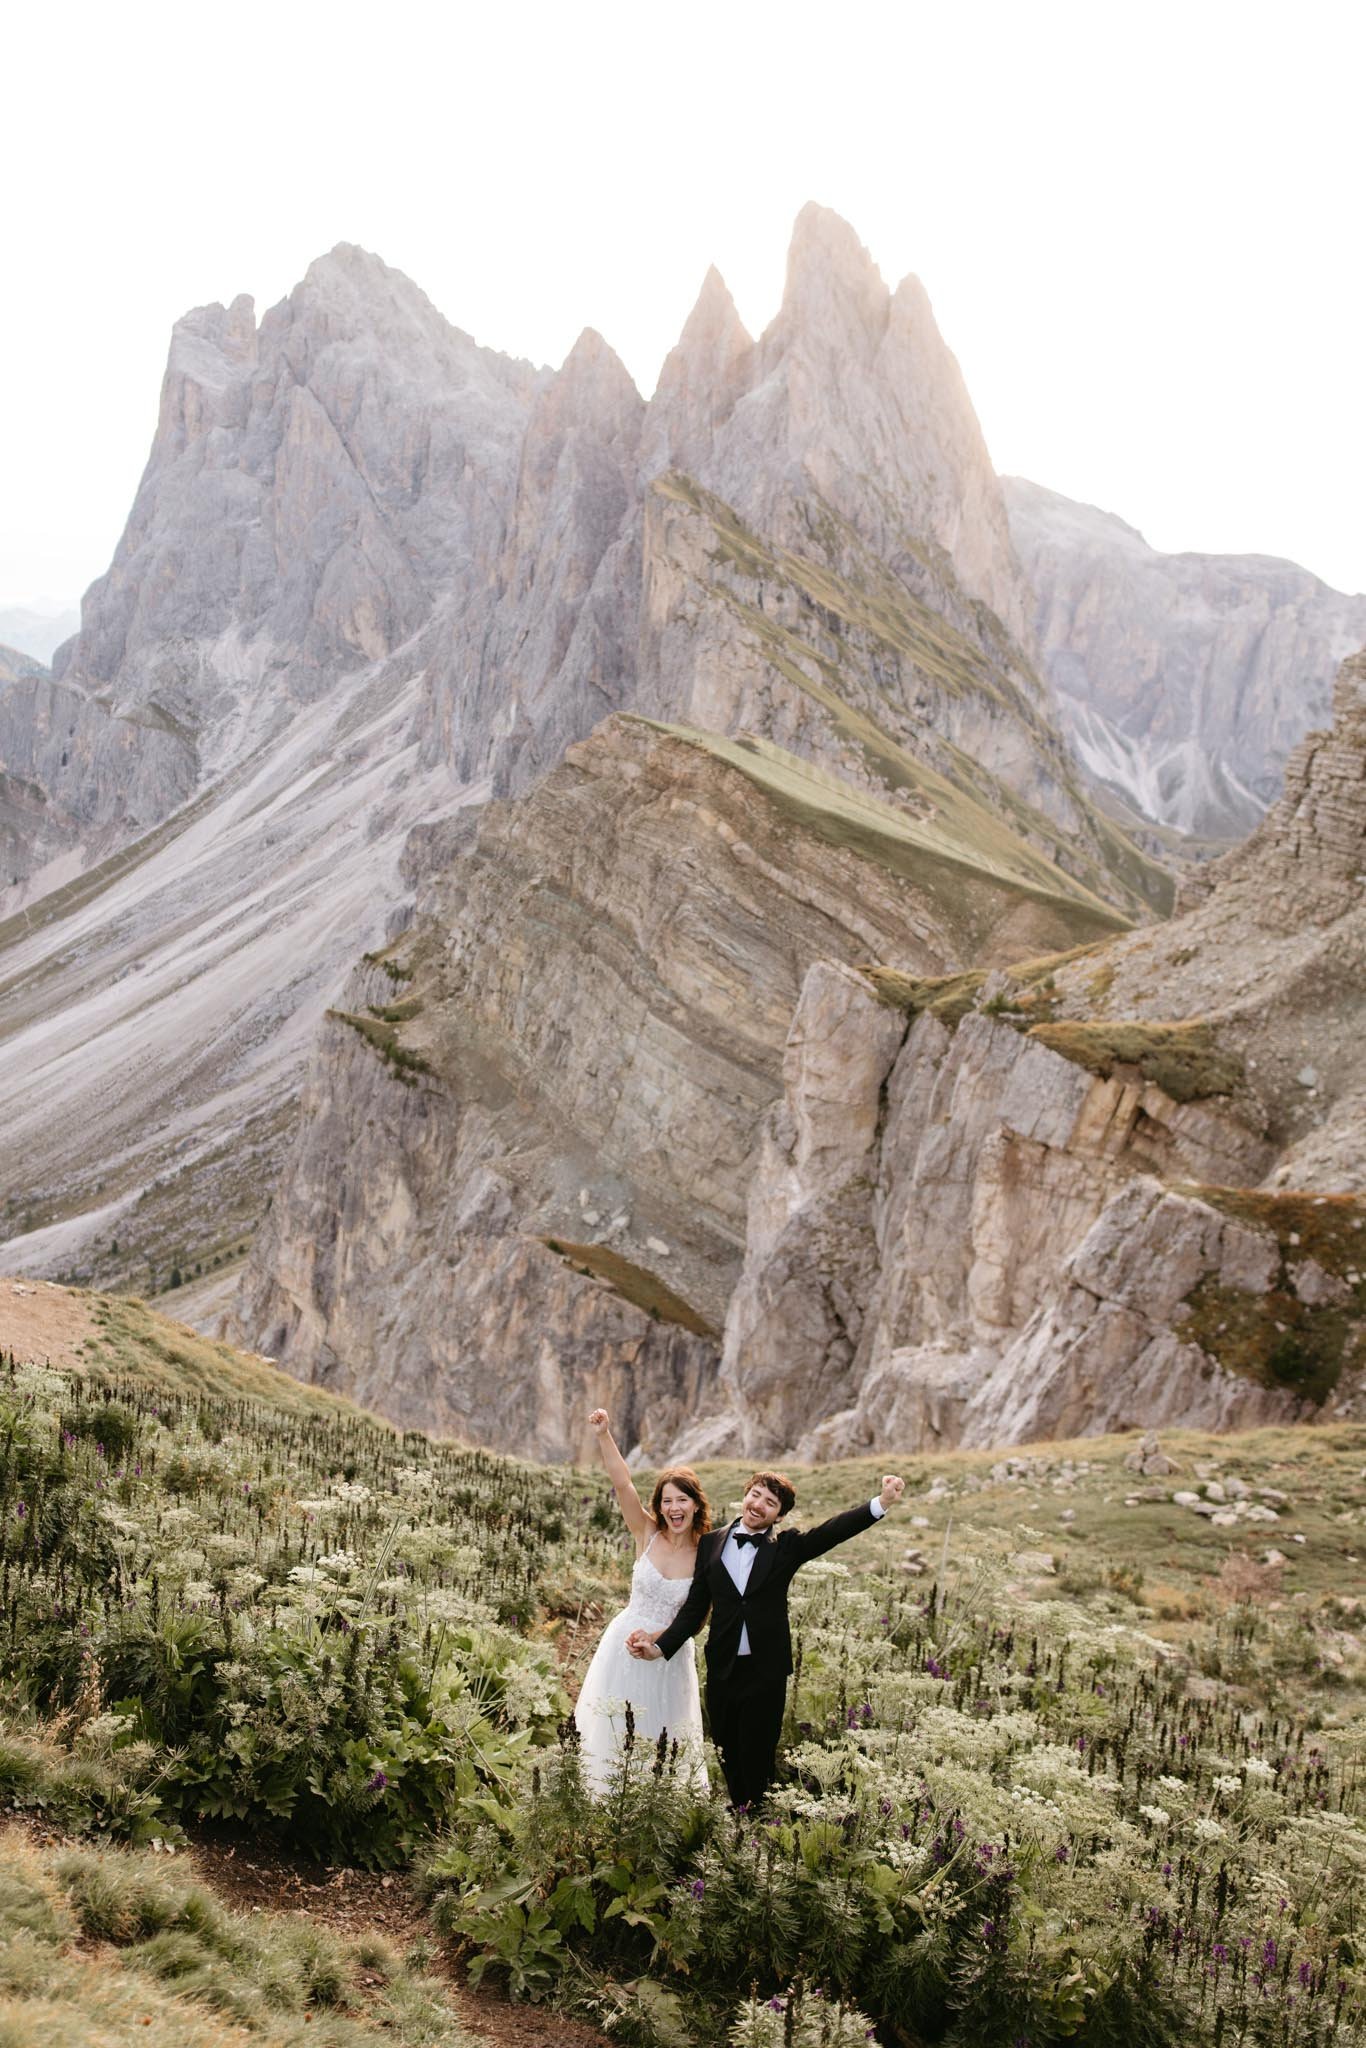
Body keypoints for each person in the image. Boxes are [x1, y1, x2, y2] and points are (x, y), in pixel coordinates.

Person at [628, 1467, 904, 1808]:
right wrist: (658, 1647)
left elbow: (832, 1532)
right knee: (727, 1747)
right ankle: (739, 1808)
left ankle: (754, 1817)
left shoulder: (786, 1547)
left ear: (780, 1515)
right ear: (746, 1496)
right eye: (755, 1495)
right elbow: (694, 1609)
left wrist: (881, 1503)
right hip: (723, 1668)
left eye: (770, 1503)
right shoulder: (711, 1543)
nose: (759, 1505)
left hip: (765, 1671)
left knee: (756, 1750)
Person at [572, 1408, 710, 1796]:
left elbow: (695, 1617)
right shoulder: (646, 1533)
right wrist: (603, 1435)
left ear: (695, 1504)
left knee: (662, 1732)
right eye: (666, 1501)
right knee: (611, 1727)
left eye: (681, 1500)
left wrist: (659, 1640)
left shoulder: (706, 1555)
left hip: (669, 1652)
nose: (673, 1508)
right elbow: (623, 1485)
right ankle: (600, 1801)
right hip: (624, 1645)